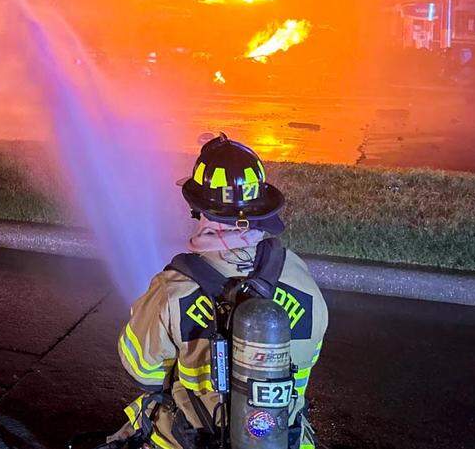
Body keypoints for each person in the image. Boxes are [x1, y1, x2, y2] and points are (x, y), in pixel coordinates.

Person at [109, 134, 327, 449]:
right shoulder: (302, 281)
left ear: (199, 210)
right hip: (283, 439)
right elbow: (304, 369)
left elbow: (142, 370)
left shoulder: (174, 289)